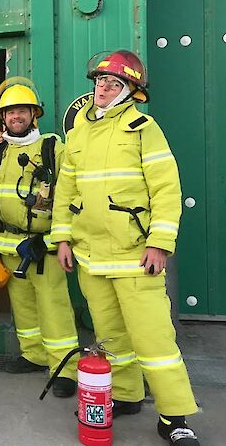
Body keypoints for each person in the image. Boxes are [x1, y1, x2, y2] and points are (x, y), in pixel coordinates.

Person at [51, 50, 201, 445]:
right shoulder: (78, 132)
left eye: (113, 83)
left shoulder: (143, 128)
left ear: (131, 92)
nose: (103, 88)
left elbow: (167, 189)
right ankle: (127, 394)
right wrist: (63, 237)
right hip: (91, 255)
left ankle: (174, 416)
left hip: (136, 256)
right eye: (100, 81)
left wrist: (160, 243)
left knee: (154, 341)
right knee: (111, 336)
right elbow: (66, 189)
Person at [0, 77, 78, 397]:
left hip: (43, 247)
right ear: (2, 118)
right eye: (10, 112)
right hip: (9, 246)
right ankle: (33, 354)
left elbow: (68, 195)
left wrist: (62, 239)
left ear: (35, 114)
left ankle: (64, 368)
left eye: (22, 110)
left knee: (54, 307)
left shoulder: (52, 148)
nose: (16, 116)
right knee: (24, 307)